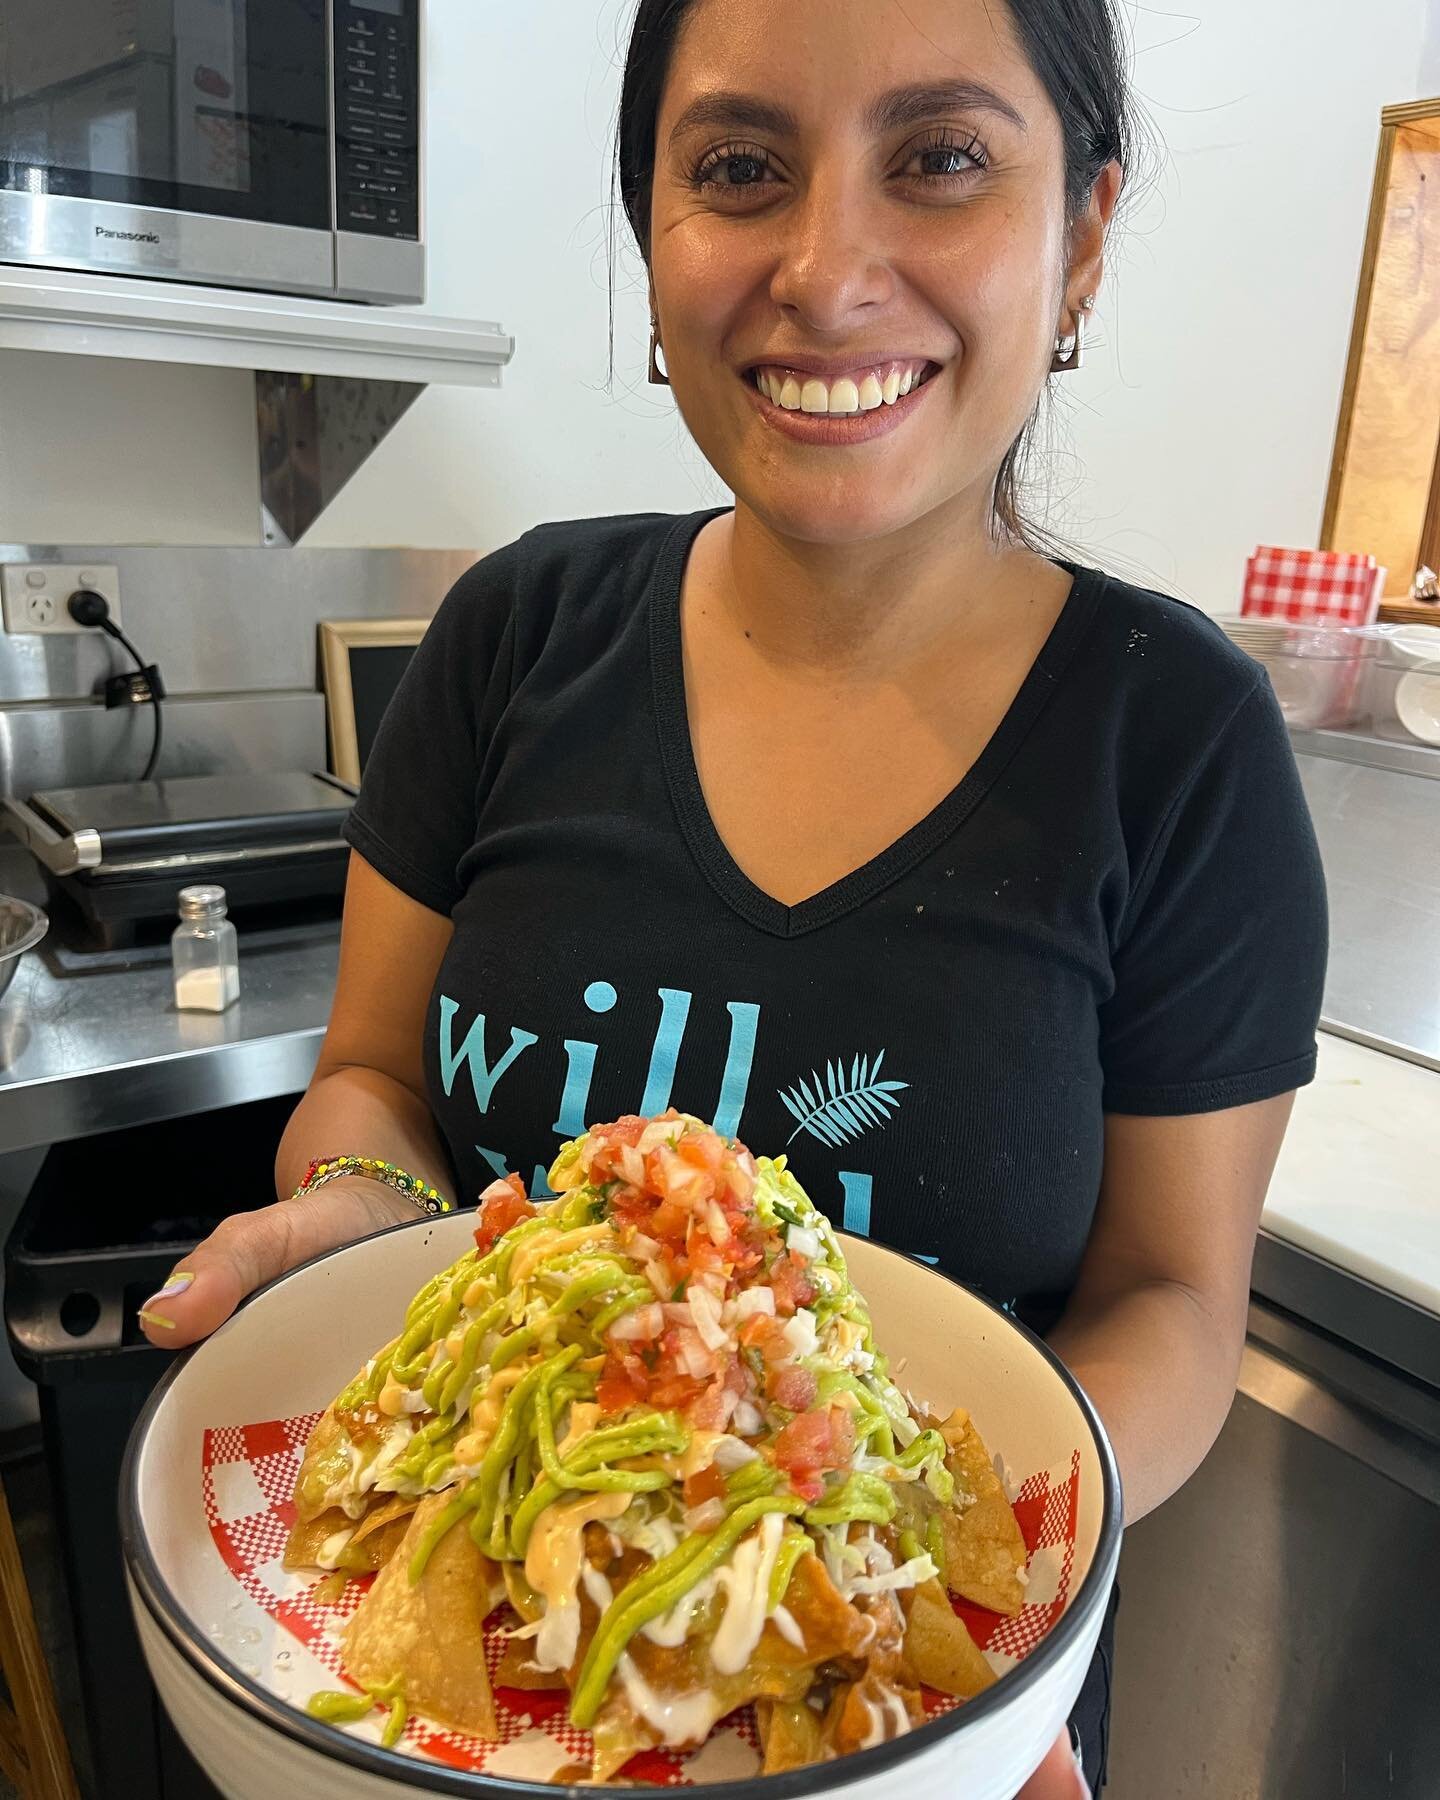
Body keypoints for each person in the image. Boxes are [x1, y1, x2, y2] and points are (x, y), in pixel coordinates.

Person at [140, 0, 1327, 1790]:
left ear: (1080, 235)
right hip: (479, 1708)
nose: (828, 269)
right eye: (740, 170)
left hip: (907, 1712)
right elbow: (372, 1085)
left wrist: (964, 1629)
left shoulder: (1184, 746)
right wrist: (370, 1214)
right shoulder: (510, 638)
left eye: (939, 160)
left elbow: (1175, 1296)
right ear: (652, 234)